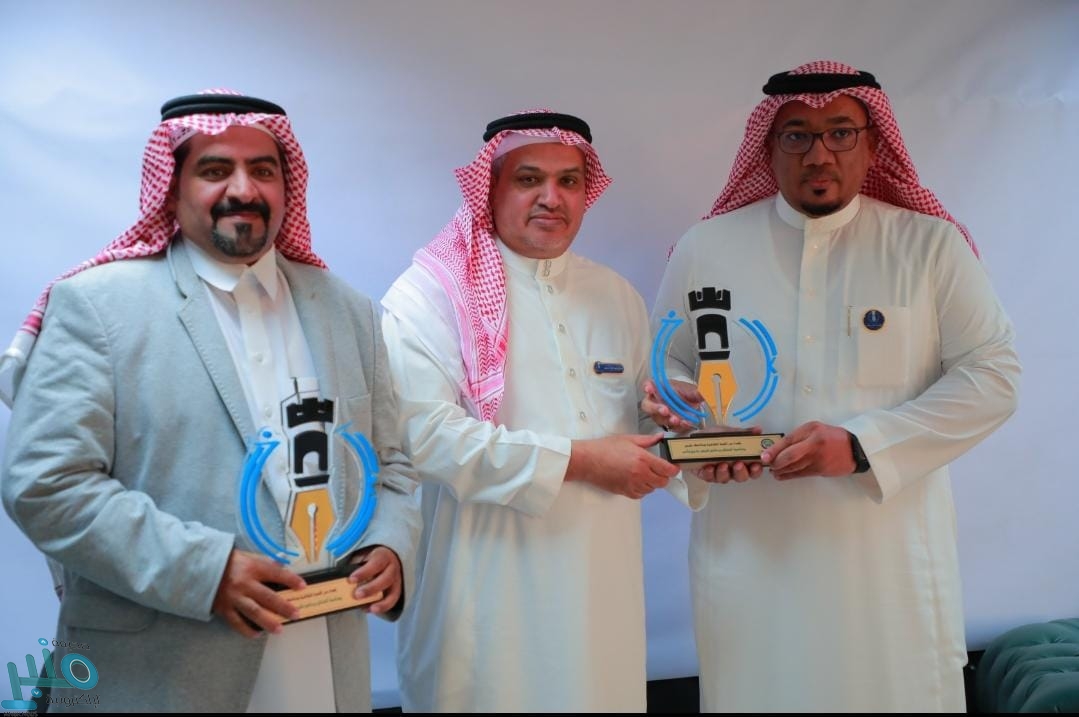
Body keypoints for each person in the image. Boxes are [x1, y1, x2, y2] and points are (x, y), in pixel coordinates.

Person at [0, 90, 421, 712]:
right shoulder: (96, 307)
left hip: (326, 662)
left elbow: (392, 463)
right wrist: (207, 570)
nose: (243, 189)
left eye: (263, 170)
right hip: (168, 668)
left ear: (287, 187)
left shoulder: (347, 310)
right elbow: (45, 485)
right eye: (216, 169)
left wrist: (390, 543)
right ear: (172, 188)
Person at [644, 60, 1021, 712]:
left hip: (885, 560)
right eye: (796, 135)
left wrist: (862, 444)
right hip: (750, 555)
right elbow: (663, 371)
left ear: (873, 145)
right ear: (768, 147)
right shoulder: (705, 248)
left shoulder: (929, 247)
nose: (819, 153)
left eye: (840, 132)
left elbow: (992, 373)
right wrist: (700, 436)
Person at [381, 110, 701, 712]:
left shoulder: (615, 295)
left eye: (569, 181)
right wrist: (581, 461)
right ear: (491, 187)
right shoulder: (429, 294)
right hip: (485, 596)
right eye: (529, 179)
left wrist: (671, 419)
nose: (551, 198)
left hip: (599, 590)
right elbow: (425, 438)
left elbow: (640, 419)